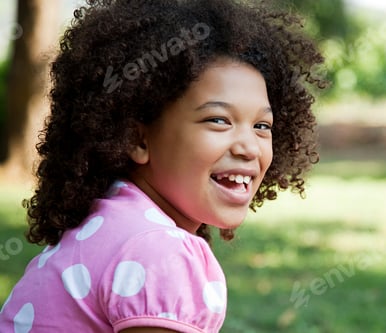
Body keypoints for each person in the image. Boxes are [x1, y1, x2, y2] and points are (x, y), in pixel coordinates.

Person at [0, 0, 325, 332]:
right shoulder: (159, 252)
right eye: (218, 120)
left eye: (262, 126)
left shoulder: (109, 221)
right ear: (137, 139)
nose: (248, 147)